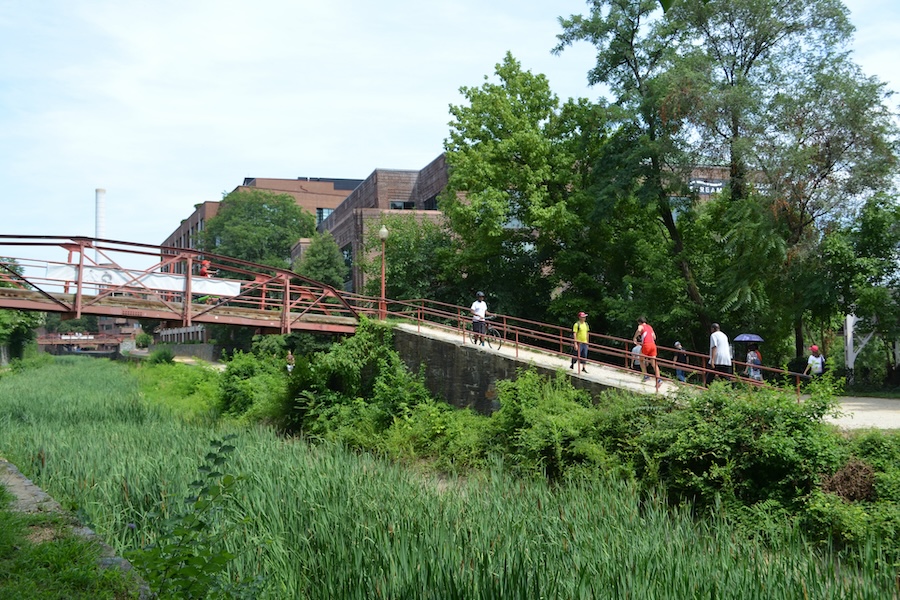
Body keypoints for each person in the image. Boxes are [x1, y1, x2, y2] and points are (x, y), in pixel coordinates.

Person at [633, 317, 661, 386]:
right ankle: (659, 380)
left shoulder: (641, 326)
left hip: (646, 345)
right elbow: (654, 337)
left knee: (641, 360)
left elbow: (639, 330)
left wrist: (635, 337)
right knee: (654, 363)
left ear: (639, 322)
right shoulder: (650, 327)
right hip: (653, 345)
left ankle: (646, 376)